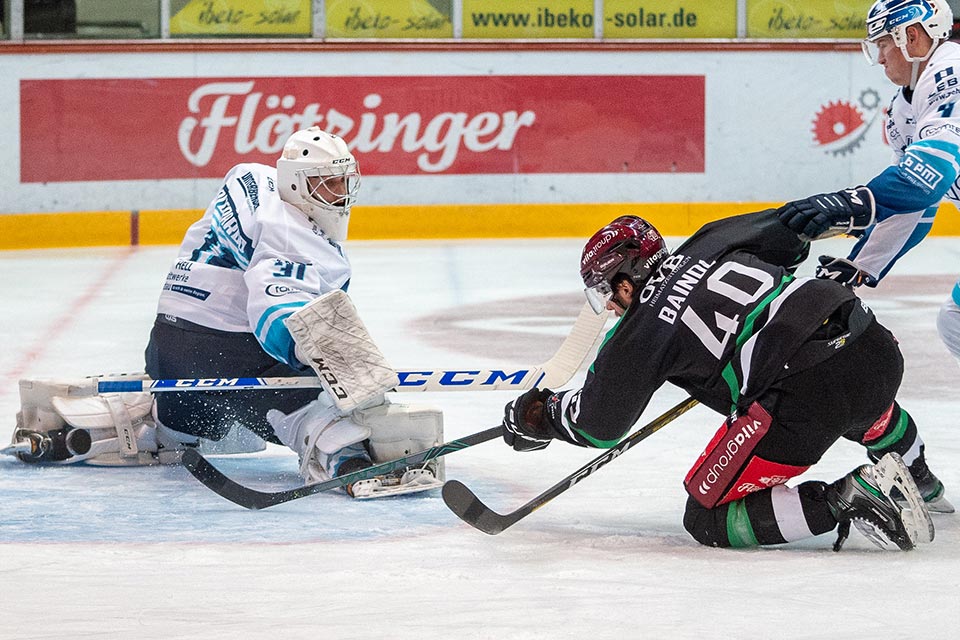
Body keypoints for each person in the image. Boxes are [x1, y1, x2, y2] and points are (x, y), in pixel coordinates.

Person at [5, 127, 444, 500]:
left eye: (342, 182)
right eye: (326, 184)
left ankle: (125, 428)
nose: (339, 194)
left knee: (183, 423)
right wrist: (336, 367)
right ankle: (345, 455)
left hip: (167, 348)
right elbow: (277, 310)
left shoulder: (250, 177)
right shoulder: (295, 236)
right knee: (313, 405)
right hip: (227, 355)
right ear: (296, 183)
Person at [499, 207, 949, 550]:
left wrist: (540, 416)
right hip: (872, 344)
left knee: (705, 517)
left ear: (624, 280)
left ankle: (850, 497)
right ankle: (921, 479)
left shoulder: (638, 332)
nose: (610, 306)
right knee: (856, 399)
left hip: (807, 392)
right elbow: (794, 238)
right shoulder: (714, 238)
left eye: (605, 291)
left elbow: (597, 424)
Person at [782, 1, 960, 460]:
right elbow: (917, 203)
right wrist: (858, 265)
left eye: (884, 43)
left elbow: (933, 172)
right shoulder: (903, 112)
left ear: (914, 38)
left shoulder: (951, 72)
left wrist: (851, 203)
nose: (880, 57)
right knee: (955, 322)